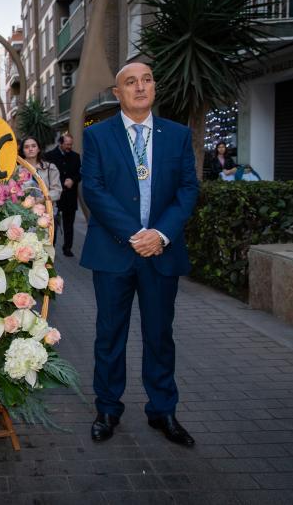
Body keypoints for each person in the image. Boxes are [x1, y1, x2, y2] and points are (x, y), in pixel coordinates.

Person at [80, 62, 199, 447]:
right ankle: (108, 409)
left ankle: (163, 410)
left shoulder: (178, 135)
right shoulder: (98, 136)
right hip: (114, 252)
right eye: (131, 82)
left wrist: (161, 234)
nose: (141, 86)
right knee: (109, 335)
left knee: (160, 335)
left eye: (147, 79)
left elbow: (187, 190)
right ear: (118, 93)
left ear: (154, 87)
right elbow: (94, 190)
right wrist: (135, 235)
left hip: (162, 252)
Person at [45, 134, 81, 257]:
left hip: (70, 197)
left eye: (71, 144)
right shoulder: (49, 156)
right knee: (52, 223)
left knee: (69, 224)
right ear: (60, 143)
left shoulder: (76, 156)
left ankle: (67, 248)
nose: (69, 147)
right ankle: (51, 247)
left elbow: (80, 173)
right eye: (67, 144)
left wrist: (73, 180)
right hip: (55, 197)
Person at [19, 136, 62, 203]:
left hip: (46, 210)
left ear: (38, 149)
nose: (30, 149)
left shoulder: (50, 168)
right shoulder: (16, 170)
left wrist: (43, 198)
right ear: (22, 151)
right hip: (23, 210)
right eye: (26, 147)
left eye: (33, 146)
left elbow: (57, 191)